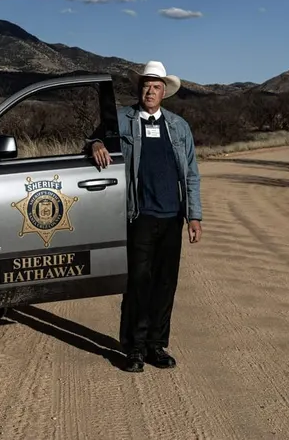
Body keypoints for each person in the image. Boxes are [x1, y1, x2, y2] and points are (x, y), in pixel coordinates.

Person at [87, 60, 202, 373]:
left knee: (165, 284)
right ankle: (134, 349)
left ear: (164, 92)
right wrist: (97, 143)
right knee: (138, 283)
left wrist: (194, 216)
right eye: (145, 86)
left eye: (155, 87)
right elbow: (93, 139)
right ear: (138, 89)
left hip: (171, 217)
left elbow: (191, 173)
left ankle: (156, 346)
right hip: (139, 214)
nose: (150, 92)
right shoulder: (123, 119)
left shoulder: (178, 126)